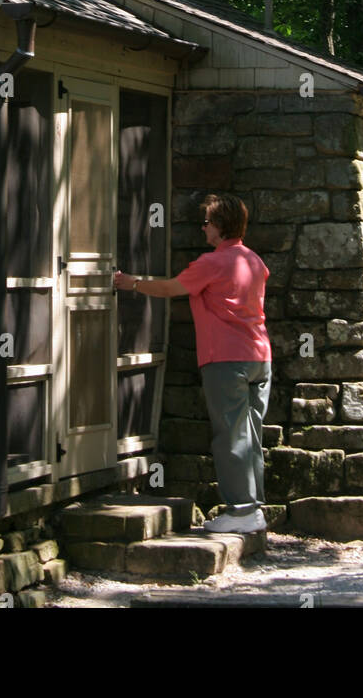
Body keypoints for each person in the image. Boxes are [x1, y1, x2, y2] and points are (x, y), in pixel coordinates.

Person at [113, 193, 271, 534]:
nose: (203, 229)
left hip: (225, 357)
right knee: (251, 433)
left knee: (230, 434)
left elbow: (172, 288)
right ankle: (253, 507)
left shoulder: (212, 263)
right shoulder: (255, 261)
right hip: (260, 356)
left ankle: (241, 510)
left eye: (207, 223)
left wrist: (133, 284)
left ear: (219, 226)